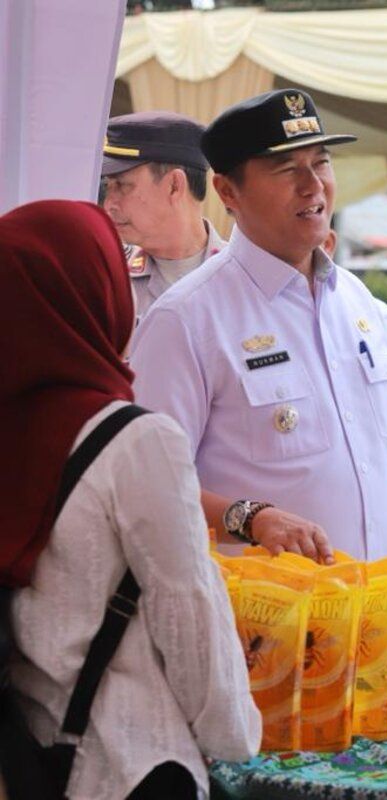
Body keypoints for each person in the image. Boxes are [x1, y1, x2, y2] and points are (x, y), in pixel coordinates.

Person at [127, 89, 387, 686]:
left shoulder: (359, 303)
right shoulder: (187, 320)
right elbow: (145, 492)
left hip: (380, 641)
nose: (312, 186)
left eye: (320, 164)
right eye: (287, 169)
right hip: (263, 654)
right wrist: (247, 516)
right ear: (229, 192)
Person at [0, 200, 258, 799]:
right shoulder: (136, 440)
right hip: (129, 761)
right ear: (95, 292)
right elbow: (187, 611)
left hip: (29, 750)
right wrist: (237, 736)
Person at [100, 111, 225, 316]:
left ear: (174, 186)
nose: (108, 204)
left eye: (122, 185)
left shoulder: (249, 278)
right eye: (108, 186)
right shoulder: (107, 278)